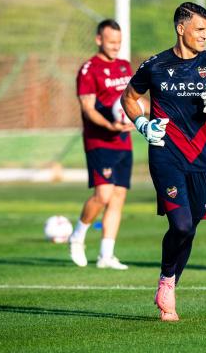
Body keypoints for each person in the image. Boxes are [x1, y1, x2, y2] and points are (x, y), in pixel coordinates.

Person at [121, 2, 206, 321]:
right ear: (180, 28)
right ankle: (167, 281)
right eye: (199, 29)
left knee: (191, 228)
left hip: (201, 158)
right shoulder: (155, 65)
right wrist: (143, 125)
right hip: (165, 155)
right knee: (181, 224)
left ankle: (170, 280)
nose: (205, 35)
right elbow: (129, 98)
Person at [69, 19, 142, 270]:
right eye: (111, 42)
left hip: (123, 140)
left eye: (119, 42)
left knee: (118, 197)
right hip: (99, 140)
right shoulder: (89, 70)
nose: (115, 47)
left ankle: (106, 255)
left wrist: (136, 118)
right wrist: (110, 126)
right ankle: (77, 236)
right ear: (99, 40)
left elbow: (132, 98)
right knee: (103, 194)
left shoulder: (124, 65)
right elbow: (87, 108)